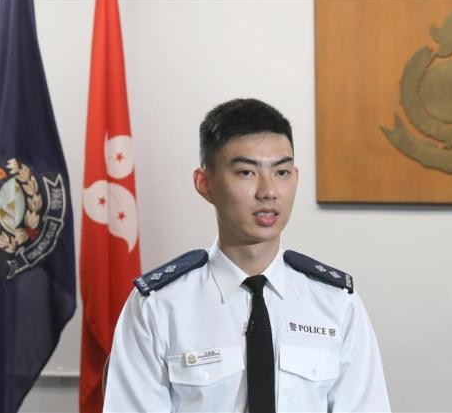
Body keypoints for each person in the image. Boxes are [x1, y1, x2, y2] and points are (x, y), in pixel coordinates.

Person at [103, 99, 391, 412]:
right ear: (205, 184)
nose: (268, 191)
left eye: (281, 172)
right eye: (246, 172)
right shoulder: (158, 306)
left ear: (296, 177)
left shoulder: (335, 303)